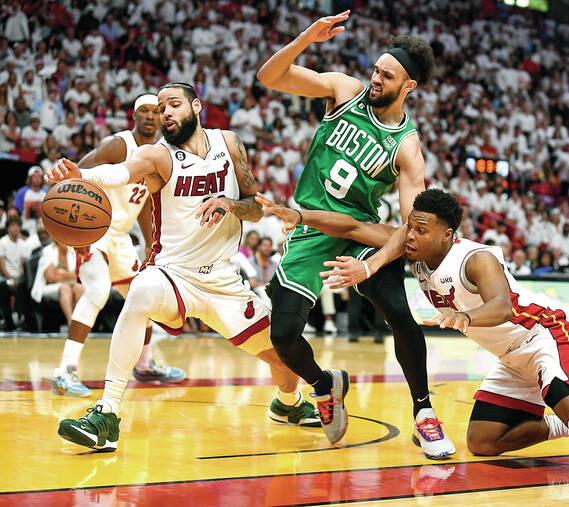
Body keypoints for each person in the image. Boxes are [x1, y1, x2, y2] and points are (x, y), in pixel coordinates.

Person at [256, 189, 569, 485]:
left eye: (421, 229)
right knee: (484, 443)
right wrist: (294, 214)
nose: (410, 235)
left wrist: (464, 322)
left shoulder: (475, 258)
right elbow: (352, 224)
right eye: (409, 227)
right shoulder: (416, 249)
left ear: (447, 234)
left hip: (547, 336)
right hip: (510, 357)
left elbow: (502, 307)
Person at [47, 82, 319, 452]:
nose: (165, 114)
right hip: (173, 272)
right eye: (161, 109)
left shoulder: (229, 143)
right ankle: (107, 414)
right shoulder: (158, 155)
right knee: (140, 291)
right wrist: (80, 175)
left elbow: (255, 207)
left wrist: (230, 204)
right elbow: (120, 173)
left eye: (173, 105)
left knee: (285, 357)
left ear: (196, 106)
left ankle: (288, 405)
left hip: (224, 280)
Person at [256, 11, 454, 456]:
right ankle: (326, 385)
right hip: (309, 226)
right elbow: (270, 77)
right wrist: (307, 37)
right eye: (375, 69)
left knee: (398, 313)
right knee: (283, 337)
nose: (375, 78)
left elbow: (411, 224)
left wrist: (370, 265)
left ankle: (424, 413)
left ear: (409, 87)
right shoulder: (345, 91)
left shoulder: (406, 144)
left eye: (386, 75)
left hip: (359, 233)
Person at [50, 94, 186, 397]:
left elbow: (149, 210)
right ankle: (64, 371)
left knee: (145, 294)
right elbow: (77, 174)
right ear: (134, 116)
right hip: (94, 228)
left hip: (122, 236)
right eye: (145, 111)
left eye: (157, 111)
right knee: (96, 291)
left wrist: (155, 248)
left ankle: (146, 365)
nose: (151, 116)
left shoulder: (160, 155)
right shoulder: (119, 144)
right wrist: (74, 223)